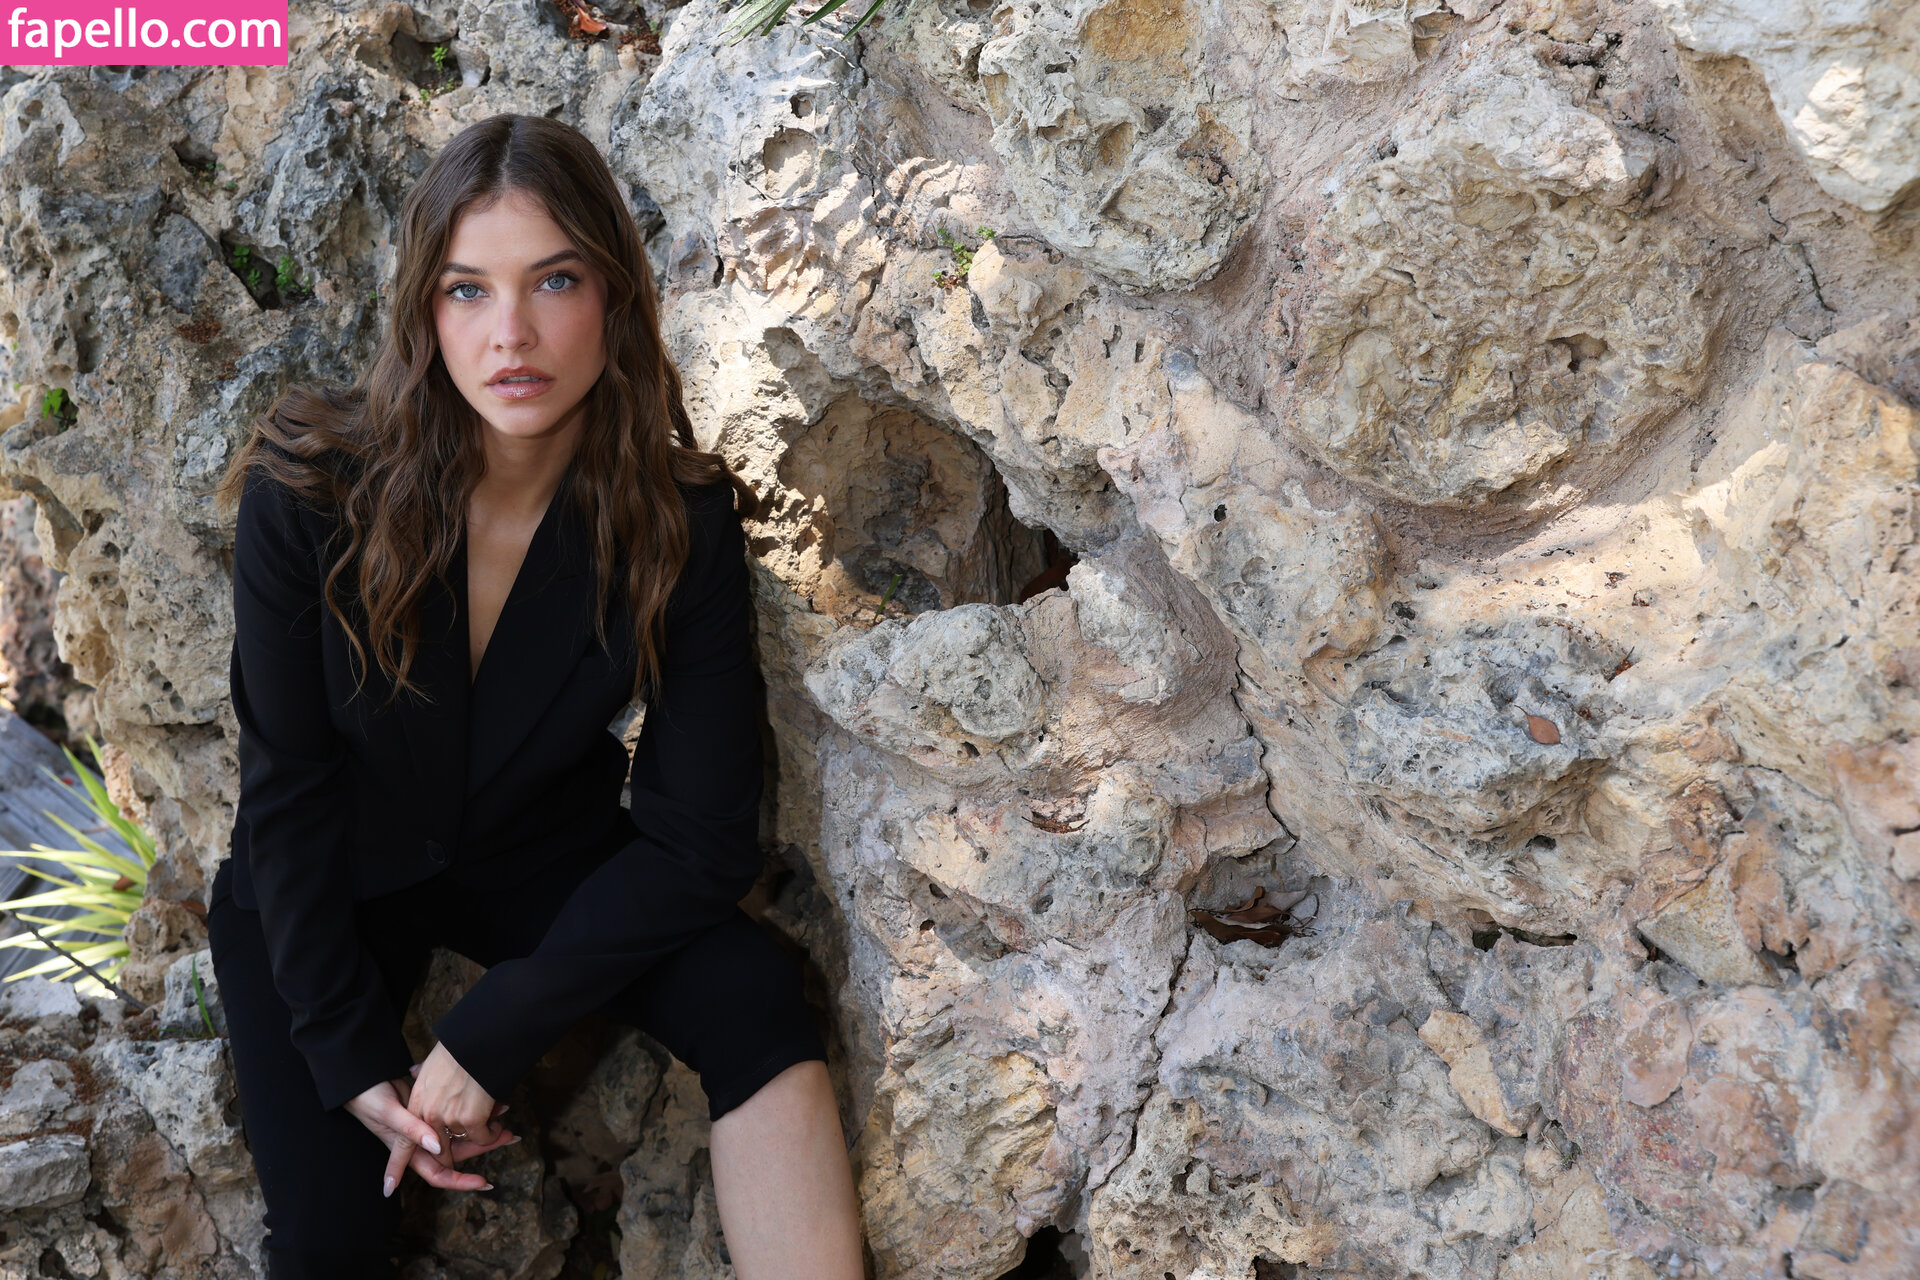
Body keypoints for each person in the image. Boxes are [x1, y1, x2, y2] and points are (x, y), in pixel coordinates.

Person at [207, 113, 865, 1279]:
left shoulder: (677, 521)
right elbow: (288, 793)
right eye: (467, 290)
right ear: (424, 312)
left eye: (554, 281)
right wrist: (349, 1057)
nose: (510, 334)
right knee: (330, 1236)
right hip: (325, 877)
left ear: (612, 294)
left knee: (755, 994)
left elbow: (702, 837)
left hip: (537, 856)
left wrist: (496, 1025)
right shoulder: (307, 491)